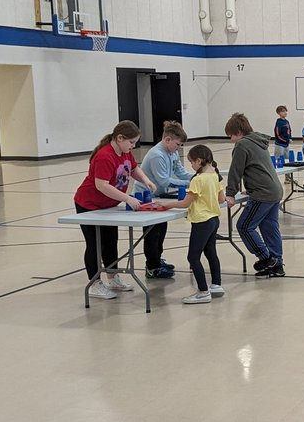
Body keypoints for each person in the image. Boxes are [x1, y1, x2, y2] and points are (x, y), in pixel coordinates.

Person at [73, 121, 158, 300]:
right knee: (95, 244)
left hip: (108, 205)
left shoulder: (125, 152)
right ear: (119, 138)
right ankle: (94, 283)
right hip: (89, 204)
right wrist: (127, 198)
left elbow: (133, 168)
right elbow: (101, 185)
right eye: (131, 142)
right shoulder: (104, 156)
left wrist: (145, 180)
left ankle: (113, 278)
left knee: (111, 241)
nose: (133, 146)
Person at [223, 112, 286, 278]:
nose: (231, 140)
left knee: (244, 226)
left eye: (231, 135)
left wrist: (230, 194)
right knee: (270, 228)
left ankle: (267, 259)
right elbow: (256, 168)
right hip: (274, 190)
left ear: (238, 132)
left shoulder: (242, 144)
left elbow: (235, 171)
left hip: (263, 193)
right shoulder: (258, 141)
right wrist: (251, 187)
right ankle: (277, 265)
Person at [162, 144, 225, 304]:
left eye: (191, 162)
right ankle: (216, 285)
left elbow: (185, 203)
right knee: (211, 252)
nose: (191, 165)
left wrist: (166, 205)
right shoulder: (215, 175)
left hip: (202, 221)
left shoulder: (198, 179)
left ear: (199, 161)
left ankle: (203, 292)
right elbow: (221, 199)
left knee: (193, 257)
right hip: (214, 219)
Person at [138, 120, 195, 280]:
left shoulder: (172, 153)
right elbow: (163, 181)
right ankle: (152, 266)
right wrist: (190, 183)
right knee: (152, 233)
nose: (179, 148)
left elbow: (181, 172)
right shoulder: (157, 155)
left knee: (161, 229)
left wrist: (197, 177)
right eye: (177, 144)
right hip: (147, 197)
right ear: (168, 139)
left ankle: (158, 258)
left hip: (159, 196)